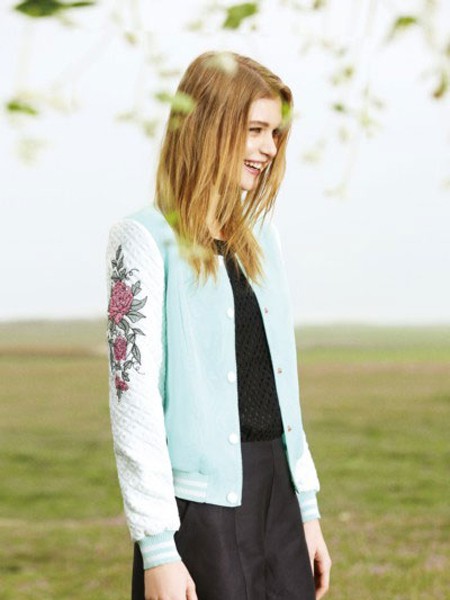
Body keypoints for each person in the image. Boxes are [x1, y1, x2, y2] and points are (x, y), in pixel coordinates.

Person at [106, 49, 332, 600]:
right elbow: (134, 403)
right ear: (209, 126)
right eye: (255, 130)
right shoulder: (142, 239)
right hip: (199, 513)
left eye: (274, 134)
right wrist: (158, 550)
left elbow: (280, 389)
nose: (269, 148)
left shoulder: (263, 241)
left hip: (279, 497)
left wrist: (306, 510)